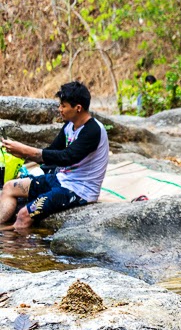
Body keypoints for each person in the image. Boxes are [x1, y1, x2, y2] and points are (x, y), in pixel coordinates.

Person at [0, 81, 109, 230]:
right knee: (9, 187)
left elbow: (66, 157)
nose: (60, 109)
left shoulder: (93, 130)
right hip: (61, 179)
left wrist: (25, 150)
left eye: (63, 105)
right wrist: (23, 156)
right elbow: (53, 150)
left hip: (78, 190)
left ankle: (13, 243)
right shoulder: (70, 125)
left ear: (78, 108)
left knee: (24, 215)